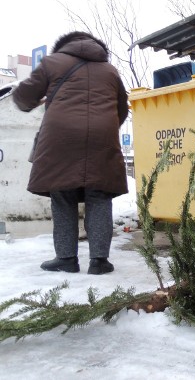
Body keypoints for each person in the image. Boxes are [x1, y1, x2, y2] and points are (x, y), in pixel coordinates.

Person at [11, 31, 129, 274]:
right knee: (99, 195)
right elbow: (122, 109)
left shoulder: (52, 63)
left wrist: (31, 101)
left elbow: (24, 97)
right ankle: (99, 261)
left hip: (60, 137)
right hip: (101, 137)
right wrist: (102, 127)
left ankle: (66, 258)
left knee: (62, 194)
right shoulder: (110, 71)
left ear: (64, 46)